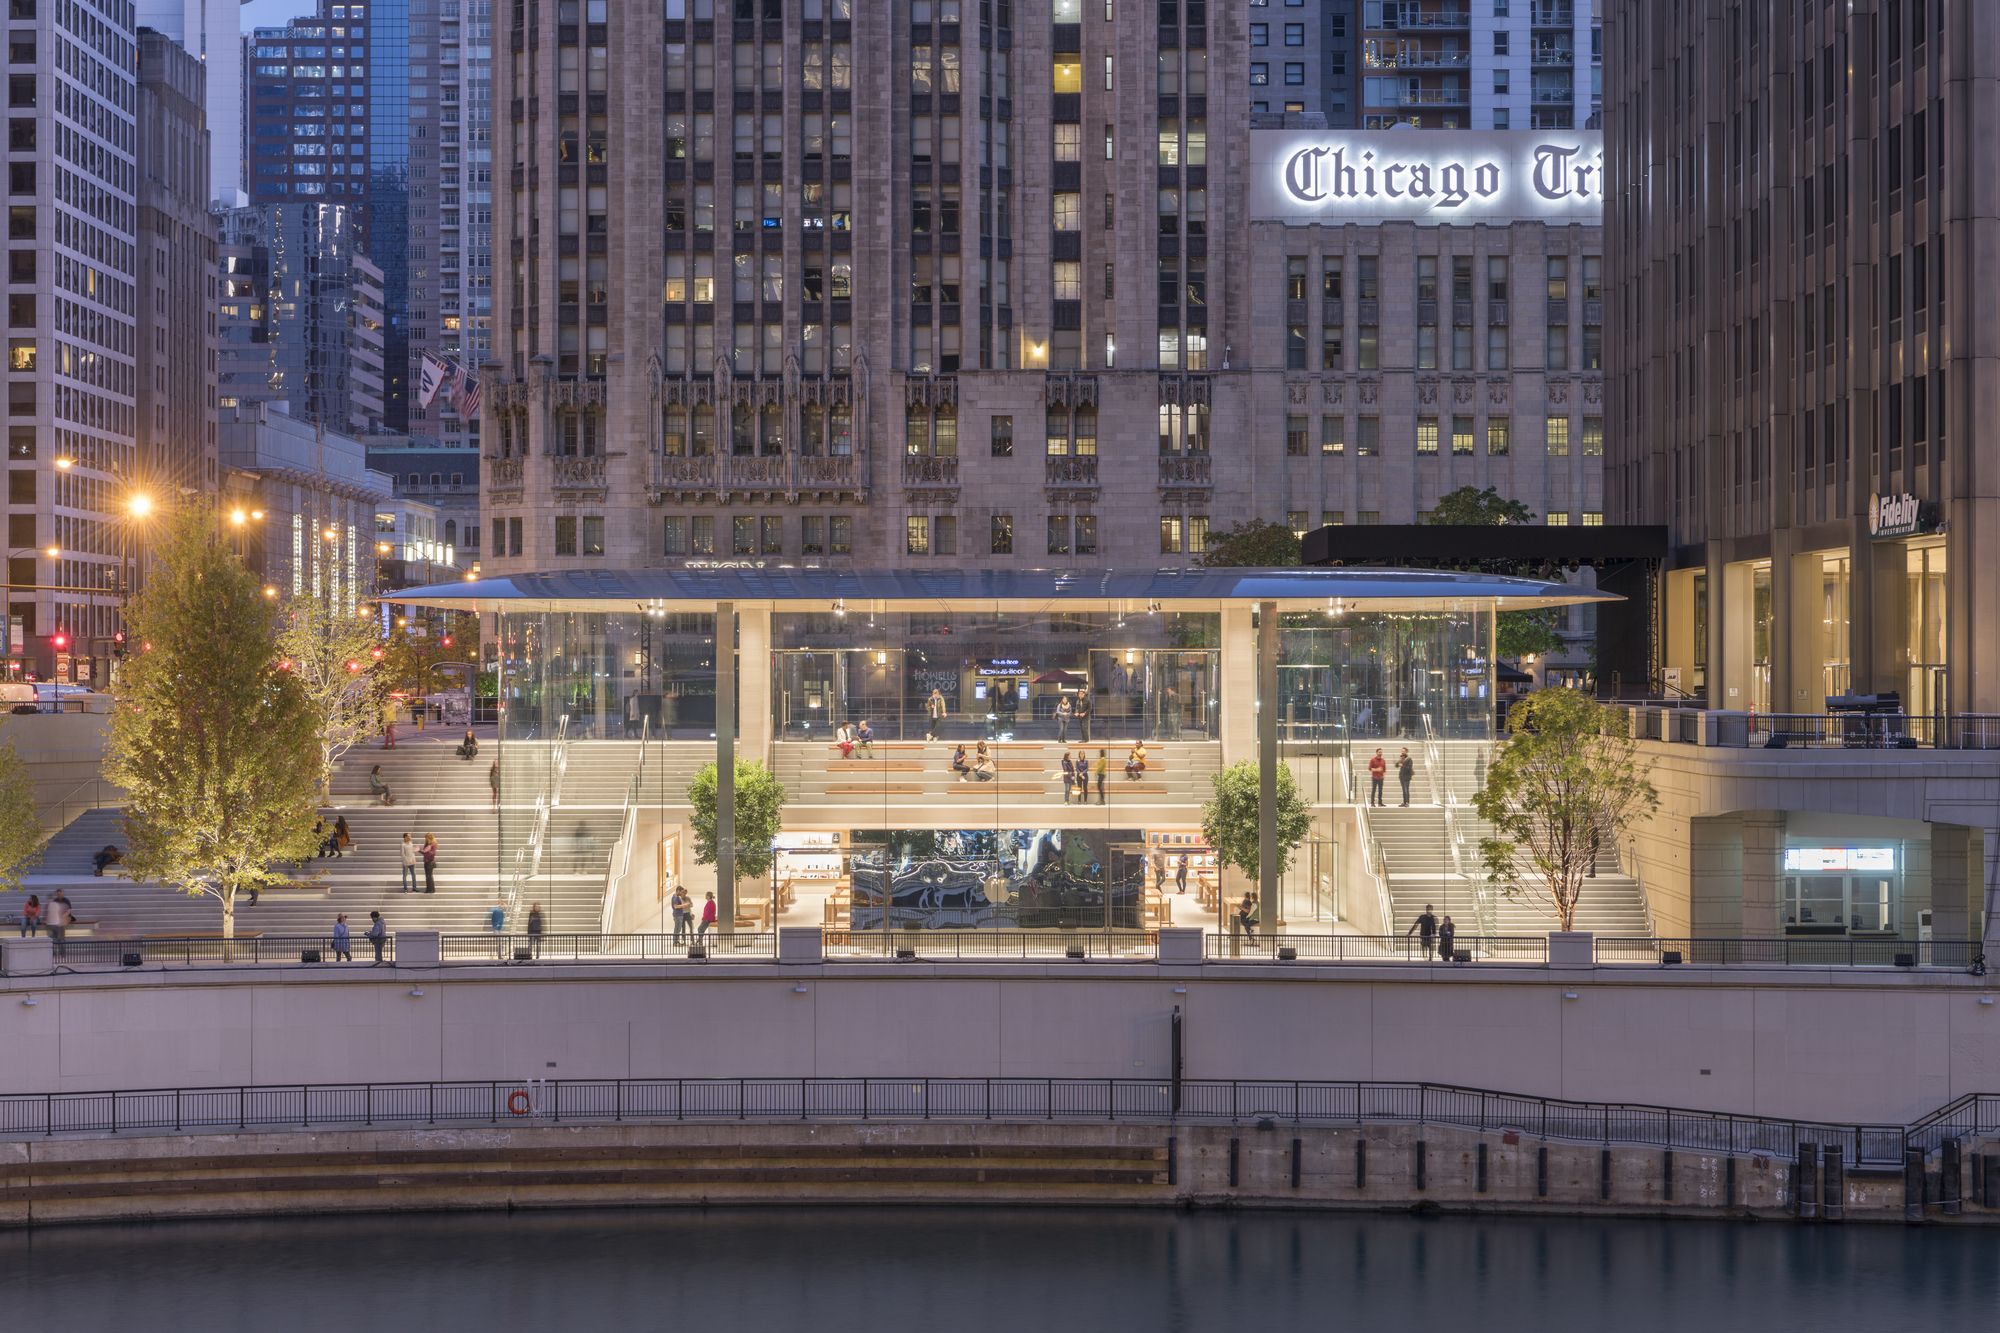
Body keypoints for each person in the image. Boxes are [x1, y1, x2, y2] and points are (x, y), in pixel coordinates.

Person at [44, 890, 70, 959]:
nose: (59, 895)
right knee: (54, 940)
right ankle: (56, 954)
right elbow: (46, 915)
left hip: (57, 924)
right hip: (53, 924)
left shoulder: (61, 902)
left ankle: (61, 954)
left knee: (59, 940)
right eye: (58, 894)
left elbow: (67, 911)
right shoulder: (53, 904)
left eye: (60, 893)